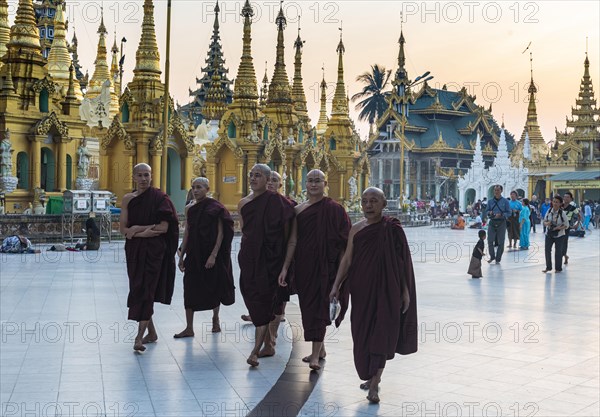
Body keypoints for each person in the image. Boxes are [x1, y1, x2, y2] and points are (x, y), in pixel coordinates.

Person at [329, 187, 417, 404]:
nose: (369, 205)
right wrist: (336, 285)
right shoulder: (356, 229)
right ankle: (370, 375)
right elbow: (348, 260)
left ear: (384, 204)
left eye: (374, 201)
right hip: (361, 289)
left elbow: (402, 264)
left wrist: (405, 292)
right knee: (362, 333)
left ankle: (375, 382)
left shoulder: (392, 229)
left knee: (382, 333)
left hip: (389, 290)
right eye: (365, 201)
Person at [282, 169, 351, 371]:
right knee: (308, 308)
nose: (313, 184)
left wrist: (341, 272)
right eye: (310, 181)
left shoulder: (335, 209)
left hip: (327, 268)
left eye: (317, 181)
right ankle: (320, 349)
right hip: (305, 266)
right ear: (305, 183)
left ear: (325, 182)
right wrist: (286, 266)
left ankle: (314, 354)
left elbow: (345, 242)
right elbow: (292, 240)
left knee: (320, 309)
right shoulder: (299, 210)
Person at [238, 164, 295, 367]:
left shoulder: (281, 205)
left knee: (264, 304)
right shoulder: (244, 203)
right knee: (253, 299)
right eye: (251, 175)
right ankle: (266, 344)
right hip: (249, 260)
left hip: (272, 261)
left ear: (269, 179)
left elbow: (290, 239)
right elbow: (246, 232)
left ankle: (256, 350)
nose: (253, 179)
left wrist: (285, 267)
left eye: (259, 175)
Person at [120, 163, 179, 352]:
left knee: (147, 290)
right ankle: (151, 333)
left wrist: (137, 229)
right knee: (139, 288)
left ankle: (138, 337)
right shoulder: (128, 199)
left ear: (151, 176)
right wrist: (142, 232)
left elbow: (164, 228)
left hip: (155, 251)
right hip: (134, 250)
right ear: (134, 177)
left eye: (147, 175)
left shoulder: (160, 198)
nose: (144, 179)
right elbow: (123, 229)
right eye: (140, 175)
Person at [175, 177, 235, 339]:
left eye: (199, 187)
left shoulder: (216, 208)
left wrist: (214, 255)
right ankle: (189, 327)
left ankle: (215, 319)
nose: (195, 190)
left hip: (210, 253)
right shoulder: (190, 209)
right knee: (189, 288)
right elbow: (187, 231)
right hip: (194, 253)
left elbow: (221, 233)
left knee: (213, 286)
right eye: (193, 187)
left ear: (207, 189)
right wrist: (182, 254)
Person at [542, 196, 569, 273]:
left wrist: (558, 228)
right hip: (549, 234)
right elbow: (544, 221)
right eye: (554, 201)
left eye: (557, 202)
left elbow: (566, 225)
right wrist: (547, 223)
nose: (555, 203)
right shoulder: (549, 211)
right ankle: (548, 267)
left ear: (560, 204)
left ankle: (558, 268)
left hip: (559, 235)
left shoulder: (562, 213)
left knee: (558, 252)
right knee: (547, 250)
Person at [486, 185, 510, 264]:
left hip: (501, 222)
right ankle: (492, 256)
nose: (496, 192)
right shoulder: (490, 201)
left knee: (501, 241)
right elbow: (486, 211)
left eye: (498, 190)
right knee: (490, 240)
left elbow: (509, 212)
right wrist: (490, 213)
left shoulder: (505, 201)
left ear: (501, 191)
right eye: (495, 190)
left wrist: (502, 215)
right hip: (492, 222)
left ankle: (498, 258)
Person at [562, 192, 580, 265]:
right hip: (559, 225)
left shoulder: (573, 208)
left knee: (564, 242)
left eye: (567, 197)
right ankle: (563, 255)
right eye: (565, 197)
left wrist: (577, 224)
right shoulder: (560, 205)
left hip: (567, 226)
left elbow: (579, 216)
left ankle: (564, 255)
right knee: (559, 242)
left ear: (571, 199)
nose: (565, 198)